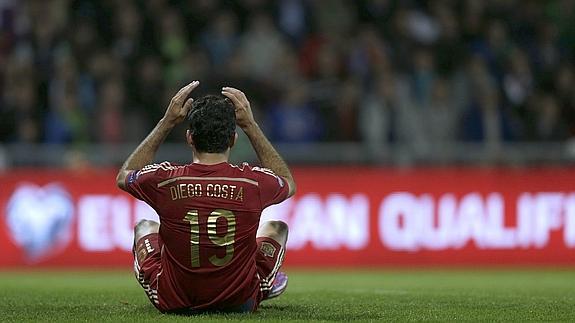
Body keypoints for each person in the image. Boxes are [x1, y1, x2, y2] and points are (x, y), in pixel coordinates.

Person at [116, 81, 296, 313]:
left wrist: (166, 122)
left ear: (190, 138)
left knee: (144, 226)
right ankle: (262, 285)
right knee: (276, 228)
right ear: (233, 139)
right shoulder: (253, 182)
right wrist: (250, 125)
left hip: (173, 301)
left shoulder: (164, 179)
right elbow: (288, 182)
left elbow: (124, 176)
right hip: (239, 301)